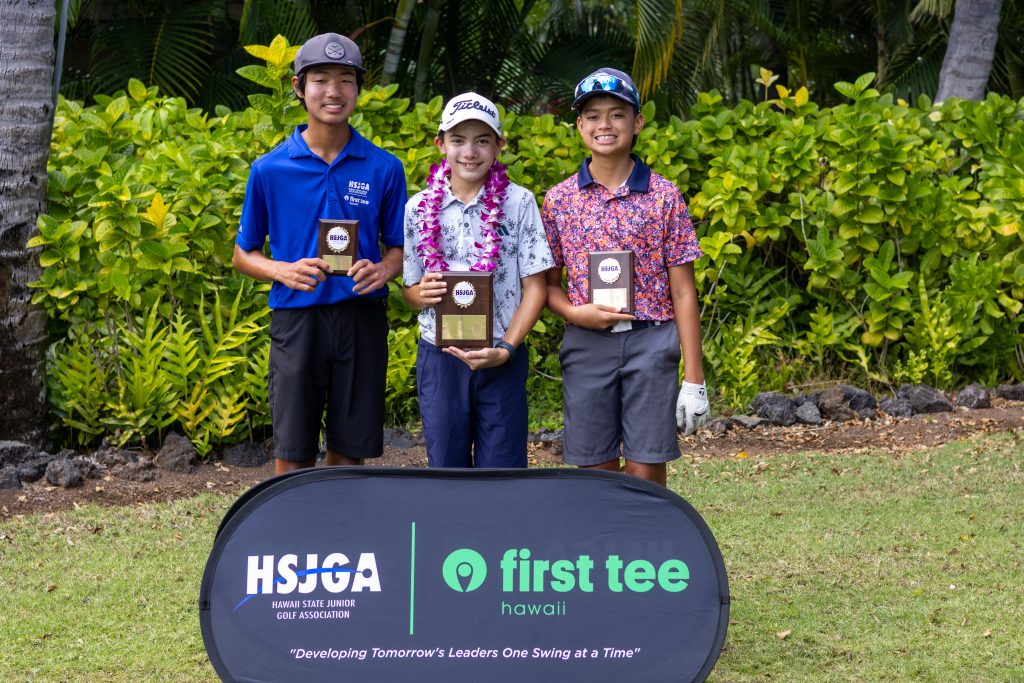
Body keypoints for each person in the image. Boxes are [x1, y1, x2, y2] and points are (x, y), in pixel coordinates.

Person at [232, 33, 407, 475]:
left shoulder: (384, 167)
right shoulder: (269, 169)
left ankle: (345, 520)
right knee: (293, 452)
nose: (334, 91)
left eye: (346, 80)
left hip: (361, 317)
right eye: (321, 80)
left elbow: (400, 248)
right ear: (298, 87)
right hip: (297, 319)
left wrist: (383, 270)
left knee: (350, 451)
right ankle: (291, 519)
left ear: (358, 89)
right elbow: (243, 254)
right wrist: (282, 270)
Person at [541, 68, 710, 487]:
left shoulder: (664, 196)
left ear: (637, 123)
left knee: (645, 469)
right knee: (594, 471)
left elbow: (683, 291)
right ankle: (602, 534)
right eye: (593, 115)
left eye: (617, 114)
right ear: (579, 126)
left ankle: (647, 533)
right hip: (587, 344)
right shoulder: (559, 200)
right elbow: (548, 285)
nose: (605, 124)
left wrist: (694, 378)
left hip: (651, 342)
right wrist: (575, 314)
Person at [402, 92, 554, 468]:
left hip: (502, 353)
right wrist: (421, 294)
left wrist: (506, 349)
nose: (470, 152)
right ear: (441, 143)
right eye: (458, 139)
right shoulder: (417, 208)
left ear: (499, 145)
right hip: (441, 358)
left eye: (482, 140)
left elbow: (536, 288)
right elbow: (410, 290)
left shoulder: (520, 203)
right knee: (446, 469)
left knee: (502, 472)